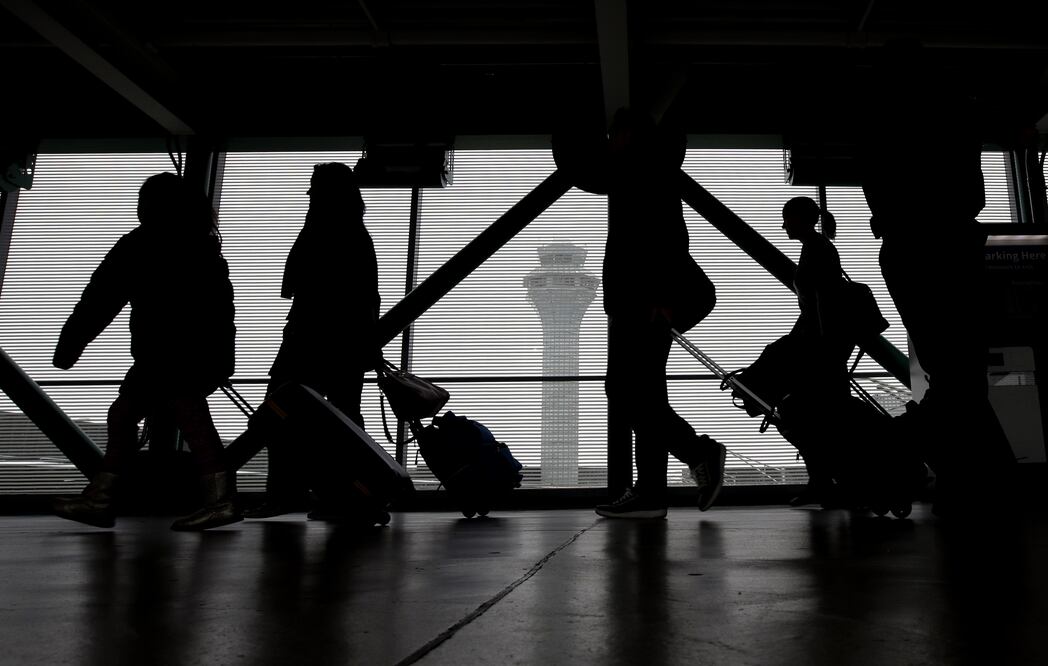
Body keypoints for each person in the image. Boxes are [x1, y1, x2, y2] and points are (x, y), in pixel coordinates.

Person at [860, 42, 1016, 516]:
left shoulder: (880, 123)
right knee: (962, 378)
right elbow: (973, 192)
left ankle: (961, 476)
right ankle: (893, 460)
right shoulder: (954, 114)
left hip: (908, 249)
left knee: (953, 376)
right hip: (950, 245)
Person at [51, 172, 239, 531]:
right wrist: (221, 359)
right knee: (163, 417)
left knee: (131, 416)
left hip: (163, 354)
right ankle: (216, 499)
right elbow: (221, 311)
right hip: (192, 354)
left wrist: (70, 345)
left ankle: (105, 499)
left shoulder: (141, 244)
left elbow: (100, 298)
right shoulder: (204, 246)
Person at [594, 108, 726, 519]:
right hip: (638, 305)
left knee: (625, 391)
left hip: (643, 306)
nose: (611, 141)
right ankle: (651, 492)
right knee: (644, 396)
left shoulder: (645, 174)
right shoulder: (639, 174)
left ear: (631, 135)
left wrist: (661, 297)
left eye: (615, 134)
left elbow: (668, 238)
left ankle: (696, 453)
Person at [243, 162, 381, 519]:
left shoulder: (320, 232)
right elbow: (366, 297)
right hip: (345, 344)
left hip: (309, 341)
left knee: (280, 411)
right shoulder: (356, 234)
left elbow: (307, 290)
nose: (308, 194)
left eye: (313, 188)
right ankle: (351, 496)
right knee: (345, 419)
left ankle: (286, 493)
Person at [779, 196, 852, 506]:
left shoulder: (816, 249)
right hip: (826, 343)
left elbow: (820, 302)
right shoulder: (818, 246)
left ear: (800, 219)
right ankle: (830, 481)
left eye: (787, 218)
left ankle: (825, 481)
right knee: (822, 413)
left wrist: (816, 342)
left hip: (822, 346)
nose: (783, 225)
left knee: (806, 411)